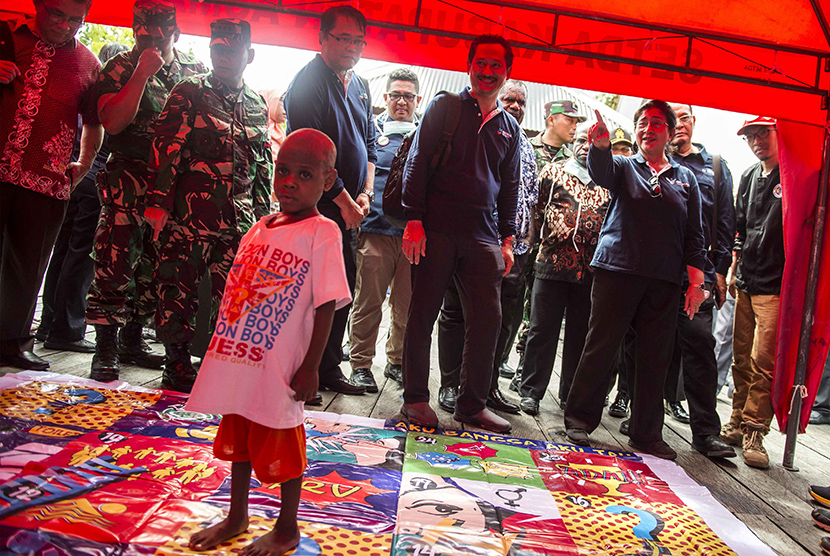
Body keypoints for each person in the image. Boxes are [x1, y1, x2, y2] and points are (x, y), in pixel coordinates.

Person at [184, 129, 350, 556]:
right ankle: (237, 515)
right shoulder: (259, 227)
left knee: (282, 437)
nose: (289, 182)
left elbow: (327, 304)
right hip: (242, 356)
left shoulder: (323, 231)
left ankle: (287, 527)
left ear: (328, 181)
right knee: (240, 431)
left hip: (282, 364)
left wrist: (312, 365)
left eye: (305, 174)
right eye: (282, 171)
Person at [563, 101, 707, 461]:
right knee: (602, 345)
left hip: (664, 280)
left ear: (671, 133)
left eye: (657, 123)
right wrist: (599, 146)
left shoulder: (685, 178)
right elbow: (602, 172)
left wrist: (696, 283)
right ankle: (579, 419)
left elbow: (694, 234)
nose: (648, 128)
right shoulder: (625, 166)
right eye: (642, 122)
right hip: (619, 270)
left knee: (654, 357)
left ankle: (646, 433)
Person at [400, 35, 521, 433]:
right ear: (469, 65)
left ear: (507, 72)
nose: (487, 72)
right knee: (422, 315)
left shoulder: (509, 127)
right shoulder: (445, 106)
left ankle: (472, 405)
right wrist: (414, 219)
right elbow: (416, 162)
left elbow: (509, 187)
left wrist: (507, 240)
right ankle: (416, 400)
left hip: (484, 239)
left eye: (495, 66)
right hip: (436, 230)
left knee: (488, 322)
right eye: (481, 63)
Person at [144, 18, 273, 393]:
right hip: (189, 215)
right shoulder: (190, 91)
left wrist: (264, 220)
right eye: (217, 50)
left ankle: (222, 364)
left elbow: (261, 166)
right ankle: (177, 364)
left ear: (248, 55)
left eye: (231, 51)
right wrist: (158, 202)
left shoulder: (255, 103)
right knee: (176, 287)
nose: (223, 57)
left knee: (235, 296)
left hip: (239, 220)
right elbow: (165, 149)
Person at [86, 0, 207, 382]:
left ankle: (133, 339)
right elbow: (112, 123)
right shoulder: (120, 66)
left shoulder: (193, 72)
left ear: (176, 33)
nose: (152, 41)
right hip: (128, 182)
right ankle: (105, 346)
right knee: (115, 262)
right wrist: (140, 74)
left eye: (160, 35)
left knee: (157, 268)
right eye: (144, 35)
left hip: (169, 188)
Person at [0, 0, 103, 371]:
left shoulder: (89, 63)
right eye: (58, 14)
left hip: (47, 178)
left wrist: (86, 163)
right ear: (38, 5)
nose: (66, 24)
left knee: (29, 267)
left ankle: (13, 343)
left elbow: (93, 121)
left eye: (76, 19)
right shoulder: (5, 38)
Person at [284, 5, 377, 397]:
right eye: (343, 38)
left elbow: (371, 144)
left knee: (340, 290)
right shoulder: (308, 82)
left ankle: (326, 366)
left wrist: (365, 193)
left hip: (349, 211)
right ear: (322, 38)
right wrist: (344, 202)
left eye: (358, 40)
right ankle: (298, 370)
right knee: (307, 295)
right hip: (314, 209)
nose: (352, 47)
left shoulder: (359, 84)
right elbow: (311, 158)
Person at [437, 79, 537, 416]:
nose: (516, 107)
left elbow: (528, 201)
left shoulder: (527, 147)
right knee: (455, 315)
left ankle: (485, 388)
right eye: (510, 99)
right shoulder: (479, 130)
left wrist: (519, 244)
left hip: (515, 252)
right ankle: (451, 386)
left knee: (500, 322)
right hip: (475, 241)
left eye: (522, 102)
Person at [35, 42, 129, 354]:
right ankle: (68, 328)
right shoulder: (110, 96)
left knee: (62, 253)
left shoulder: (86, 91)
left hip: (74, 175)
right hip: (95, 177)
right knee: (81, 257)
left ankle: (50, 323)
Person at [661, 102, 737, 458]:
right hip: (657, 271)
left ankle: (706, 432)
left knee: (700, 346)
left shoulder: (716, 167)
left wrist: (719, 271)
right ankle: (642, 418)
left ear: (694, 122)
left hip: (697, 275)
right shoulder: (653, 161)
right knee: (649, 344)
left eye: (685, 117)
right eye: (673, 119)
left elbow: (725, 225)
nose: (679, 125)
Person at [518, 122, 610, 415]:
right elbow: (537, 210)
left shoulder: (608, 180)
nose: (585, 146)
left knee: (580, 336)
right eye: (582, 140)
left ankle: (570, 394)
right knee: (541, 330)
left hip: (591, 272)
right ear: (573, 141)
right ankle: (531, 391)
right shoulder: (553, 171)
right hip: (551, 263)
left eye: (592, 142)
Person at [347, 68, 421, 392]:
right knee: (368, 302)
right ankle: (361, 364)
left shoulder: (425, 136)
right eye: (396, 95)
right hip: (375, 230)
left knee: (406, 305)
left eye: (408, 96)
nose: (401, 101)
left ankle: (396, 362)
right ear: (386, 98)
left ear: (417, 100)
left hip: (412, 238)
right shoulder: (371, 133)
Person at [721, 116, 783, 469]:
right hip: (744, 278)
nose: (757, 141)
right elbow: (739, 226)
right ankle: (737, 420)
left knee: (765, 361)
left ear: (778, 134)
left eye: (764, 133)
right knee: (740, 356)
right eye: (751, 136)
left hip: (775, 284)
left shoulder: (793, 176)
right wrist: (733, 265)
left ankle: (756, 429)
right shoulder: (747, 175)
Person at [530, 100, 585, 169]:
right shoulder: (525, 147)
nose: (575, 127)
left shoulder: (572, 160)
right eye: (570, 120)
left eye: (576, 123)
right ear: (551, 120)